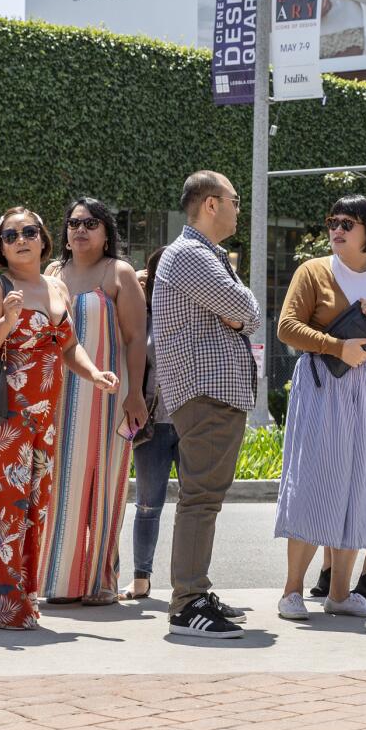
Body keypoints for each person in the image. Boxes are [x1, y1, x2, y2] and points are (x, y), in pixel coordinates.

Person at [0, 208, 119, 630]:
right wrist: (8, 320)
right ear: (0, 246)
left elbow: (69, 347)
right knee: (3, 509)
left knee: (34, 507)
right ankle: (2, 602)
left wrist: (94, 374)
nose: (21, 239)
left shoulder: (56, 287)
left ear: (42, 238)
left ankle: (24, 596)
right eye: (11, 234)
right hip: (2, 419)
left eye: (29, 231)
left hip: (44, 420)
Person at [273, 196, 366, 623]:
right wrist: (337, 346)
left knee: (359, 487)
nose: (337, 229)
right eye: (332, 221)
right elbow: (286, 327)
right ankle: (292, 590)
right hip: (323, 387)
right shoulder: (313, 271)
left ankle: (340, 593)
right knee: (313, 482)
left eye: (347, 223)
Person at [153, 171, 258, 638]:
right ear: (212, 204)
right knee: (200, 498)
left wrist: (238, 318)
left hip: (210, 390)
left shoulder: (200, 255)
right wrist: (239, 318)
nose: (239, 208)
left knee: (204, 497)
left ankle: (194, 592)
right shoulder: (192, 255)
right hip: (206, 391)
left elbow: (243, 314)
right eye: (235, 200)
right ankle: (189, 602)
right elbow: (250, 309)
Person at [40, 197, 146, 606]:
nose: (80, 230)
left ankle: (101, 580)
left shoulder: (117, 273)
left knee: (104, 486)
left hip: (108, 396)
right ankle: (60, 582)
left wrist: (135, 394)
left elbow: (136, 339)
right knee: (58, 485)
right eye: (74, 223)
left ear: (106, 233)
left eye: (91, 223)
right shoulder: (51, 273)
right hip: (56, 396)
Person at [122, 248, 175, 601]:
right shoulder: (144, 315)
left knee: (196, 505)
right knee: (147, 504)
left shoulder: (192, 313)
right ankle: (141, 577)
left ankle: (190, 583)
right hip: (152, 421)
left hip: (192, 420)